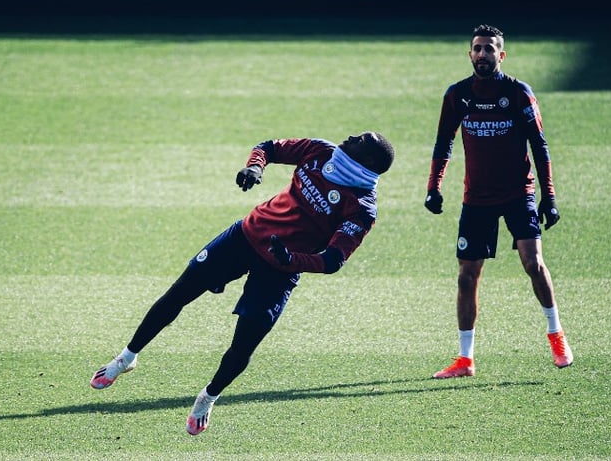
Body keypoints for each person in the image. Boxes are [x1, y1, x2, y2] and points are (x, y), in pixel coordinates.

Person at [91, 132, 395, 434]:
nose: (352, 136)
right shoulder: (320, 151)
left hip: (280, 270)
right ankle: (126, 358)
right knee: (178, 294)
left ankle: (207, 397)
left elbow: (333, 260)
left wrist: (291, 260)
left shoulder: (361, 207)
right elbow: (268, 147)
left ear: (367, 159)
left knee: (242, 346)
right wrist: (255, 167)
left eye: (361, 140)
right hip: (244, 237)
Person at [424, 24, 573, 379]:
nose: (482, 54)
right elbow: (443, 142)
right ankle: (465, 359)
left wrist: (549, 197)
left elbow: (540, 145)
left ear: (501, 55)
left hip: (518, 194)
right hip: (476, 199)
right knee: (466, 276)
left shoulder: (518, 93)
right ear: (470, 53)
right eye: (477, 48)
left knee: (533, 263)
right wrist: (434, 187)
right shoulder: (458, 95)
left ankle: (556, 335)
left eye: (489, 49)